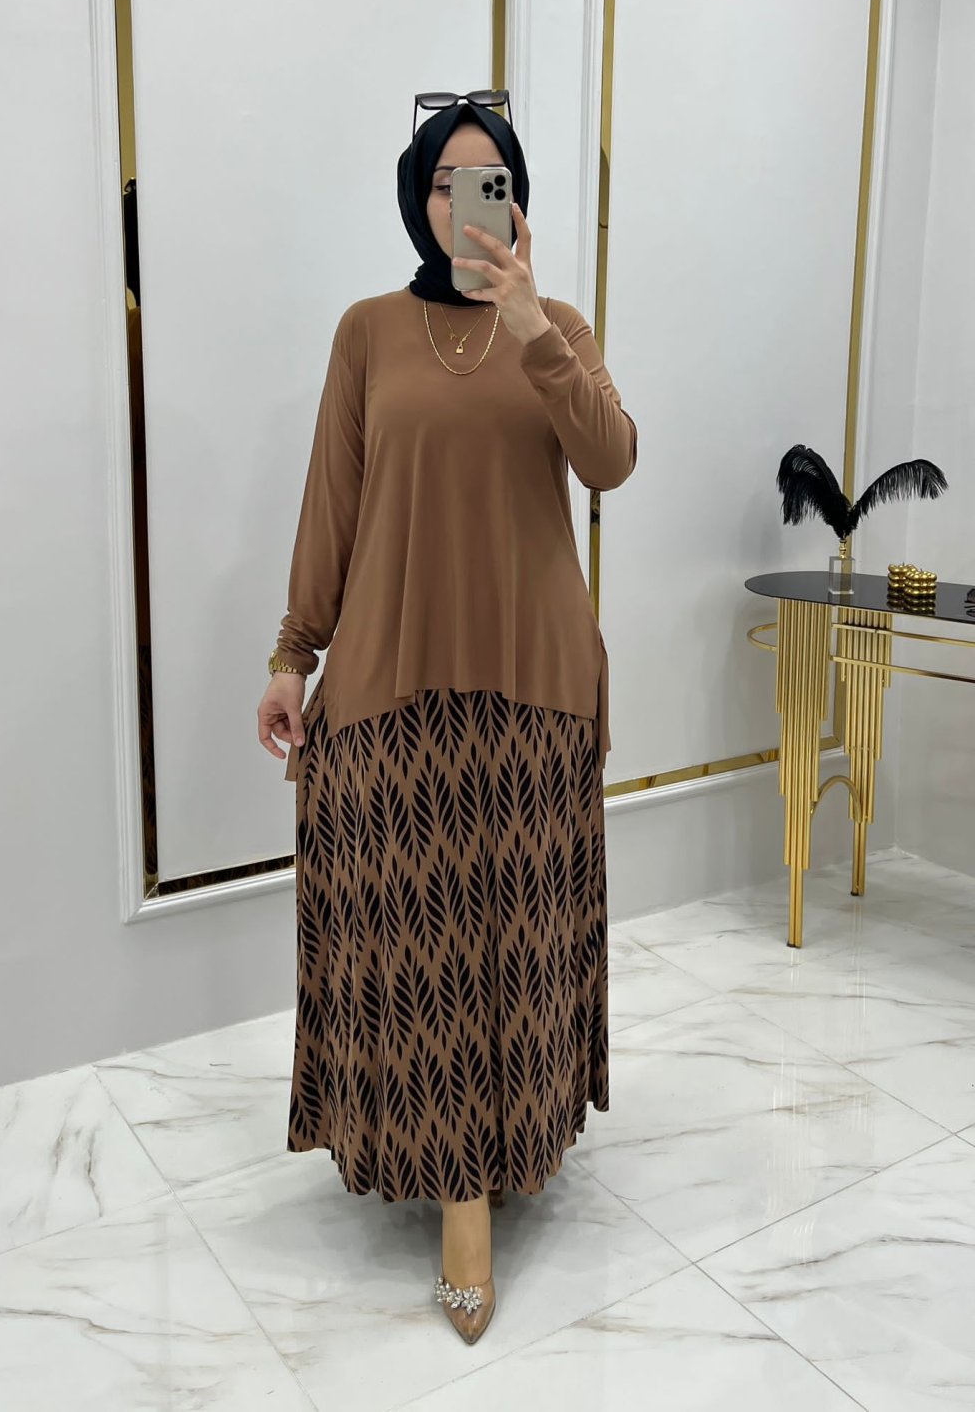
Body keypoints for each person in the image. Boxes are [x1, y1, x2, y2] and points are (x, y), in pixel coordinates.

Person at [256, 90, 638, 1345]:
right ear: (416, 199)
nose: (465, 205)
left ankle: (501, 1152)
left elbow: (611, 459)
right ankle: (453, 1187)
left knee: (516, 934)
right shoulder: (369, 331)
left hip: (533, 683)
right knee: (408, 937)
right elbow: (333, 501)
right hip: (393, 680)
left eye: (490, 183)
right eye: (443, 182)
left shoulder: (558, 328)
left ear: (517, 204)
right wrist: (292, 654)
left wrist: (533, 328)